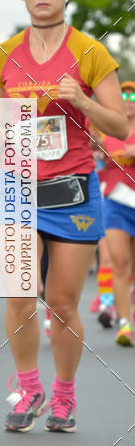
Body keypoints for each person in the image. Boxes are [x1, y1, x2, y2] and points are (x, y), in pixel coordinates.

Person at [0, 0, 127, 433]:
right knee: (20, 292)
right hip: (20, 186)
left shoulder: (90, 52)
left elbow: (119, 125)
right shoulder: (5, 54)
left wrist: (82, 100)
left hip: (73, 192)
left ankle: (64, 396)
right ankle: (28, 388)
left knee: (63, 304)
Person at [99, 81, 135, 345]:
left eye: (133, 94)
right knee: (118, 263)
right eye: (123, 94)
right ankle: (124, 324)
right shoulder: (108, 133)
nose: (128, 98)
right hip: (115, 203)